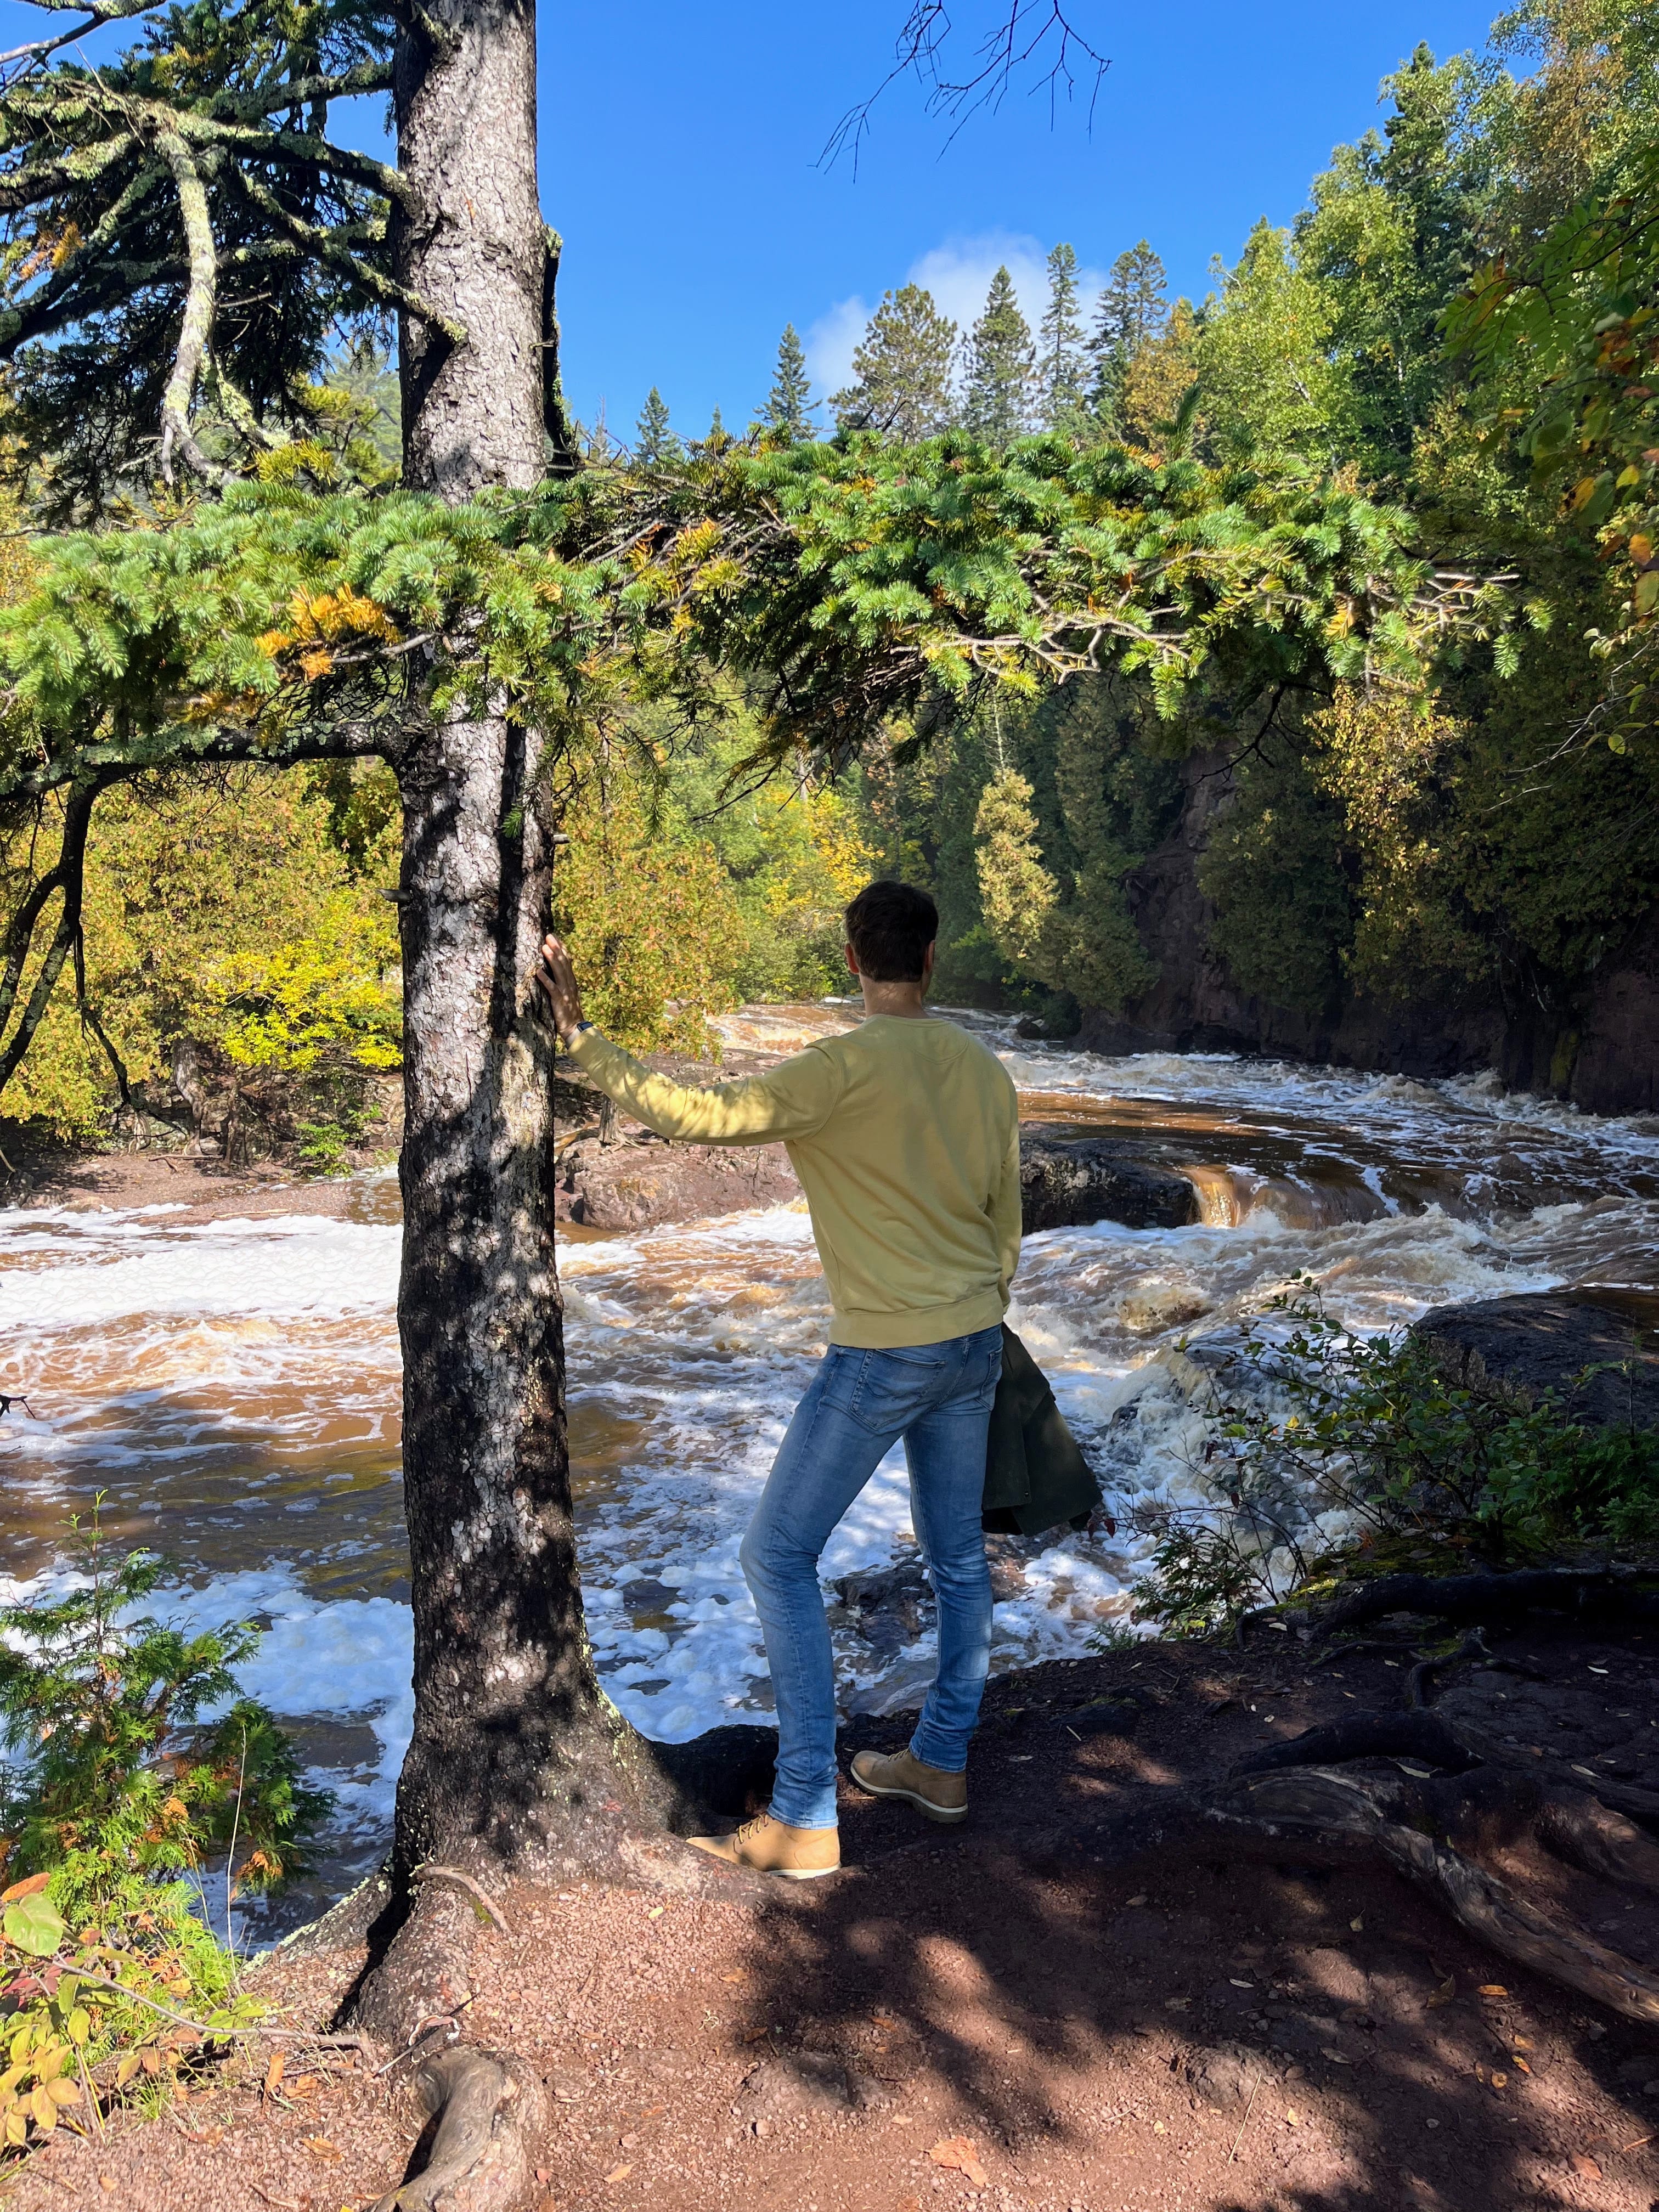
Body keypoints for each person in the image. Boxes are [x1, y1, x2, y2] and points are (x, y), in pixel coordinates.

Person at [535, 879, 1020, 1879]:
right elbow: (1001, 1218)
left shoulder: (835, 1070)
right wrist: (978, 1309)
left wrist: (580, 1039)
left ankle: (804, 1812)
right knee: (959, 1561)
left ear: (852, 959)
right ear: (933, 960)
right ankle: (940, 1763)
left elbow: (698, 1115)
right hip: (976, 1337)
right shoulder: (984, 1070)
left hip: (887, 1349)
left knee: (778, 1557)